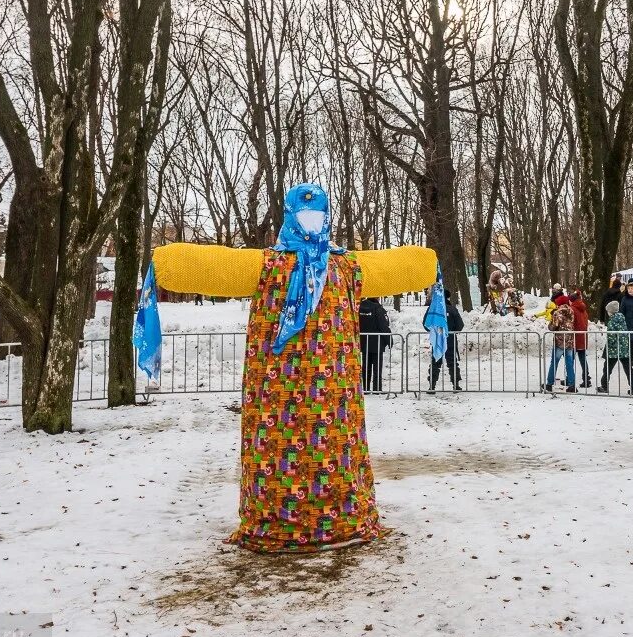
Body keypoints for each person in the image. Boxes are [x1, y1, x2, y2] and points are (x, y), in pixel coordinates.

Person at [151, 182, 440, 552]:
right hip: (316, 391)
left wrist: (163, 262)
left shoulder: (313, 265)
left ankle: (290, 517)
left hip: (295, 392)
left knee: (306, 445)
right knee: (317, 444)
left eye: (316, 213)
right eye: (305, 213)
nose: (311, 221)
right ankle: (323, 515)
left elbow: (198, 266)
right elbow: (406, 266)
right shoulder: (330, 266)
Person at [598, 301, 633, 395]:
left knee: (607, 369)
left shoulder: (612, 321)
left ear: (611, 311)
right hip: (624, 348)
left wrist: (608, 346)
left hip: (613, 349)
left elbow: (611, 336)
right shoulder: (622, 319)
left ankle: (604, 386)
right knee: (628, 369)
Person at [429, 289, 465, 393]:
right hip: (450, 338)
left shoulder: (433, 309)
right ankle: (456, 385)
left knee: (435, 361)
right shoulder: (452, 309)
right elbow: (460, 325)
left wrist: (434, 331)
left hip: (437, 339)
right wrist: (452, 331)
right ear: (447, 297)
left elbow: (426, 323)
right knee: (452, 362)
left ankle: (432, 385)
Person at [544, 295, 578, 393]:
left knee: (554, 362)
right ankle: (572, 384)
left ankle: (550, 383)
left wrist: (550, 323)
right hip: (570, 341)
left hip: (559, 341)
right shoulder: (571, 311)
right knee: (569, 364)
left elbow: (553, 327)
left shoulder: (557, 313)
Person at [358, 297, 392, 392]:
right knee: (377, 368)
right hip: (377, 343)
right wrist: (389, 340)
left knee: (365, 367)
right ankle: (377, 389)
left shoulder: (359, 307)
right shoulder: (378, 308)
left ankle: (365, 388)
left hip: (364, 342)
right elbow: (383, 326)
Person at [569, 291, 591, 388]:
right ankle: (586, 379)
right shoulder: (583, 308)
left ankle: (569, 378)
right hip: (582, 336)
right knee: (582, 359)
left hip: (574, 337)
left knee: (570, 359)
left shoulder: (572, 309)